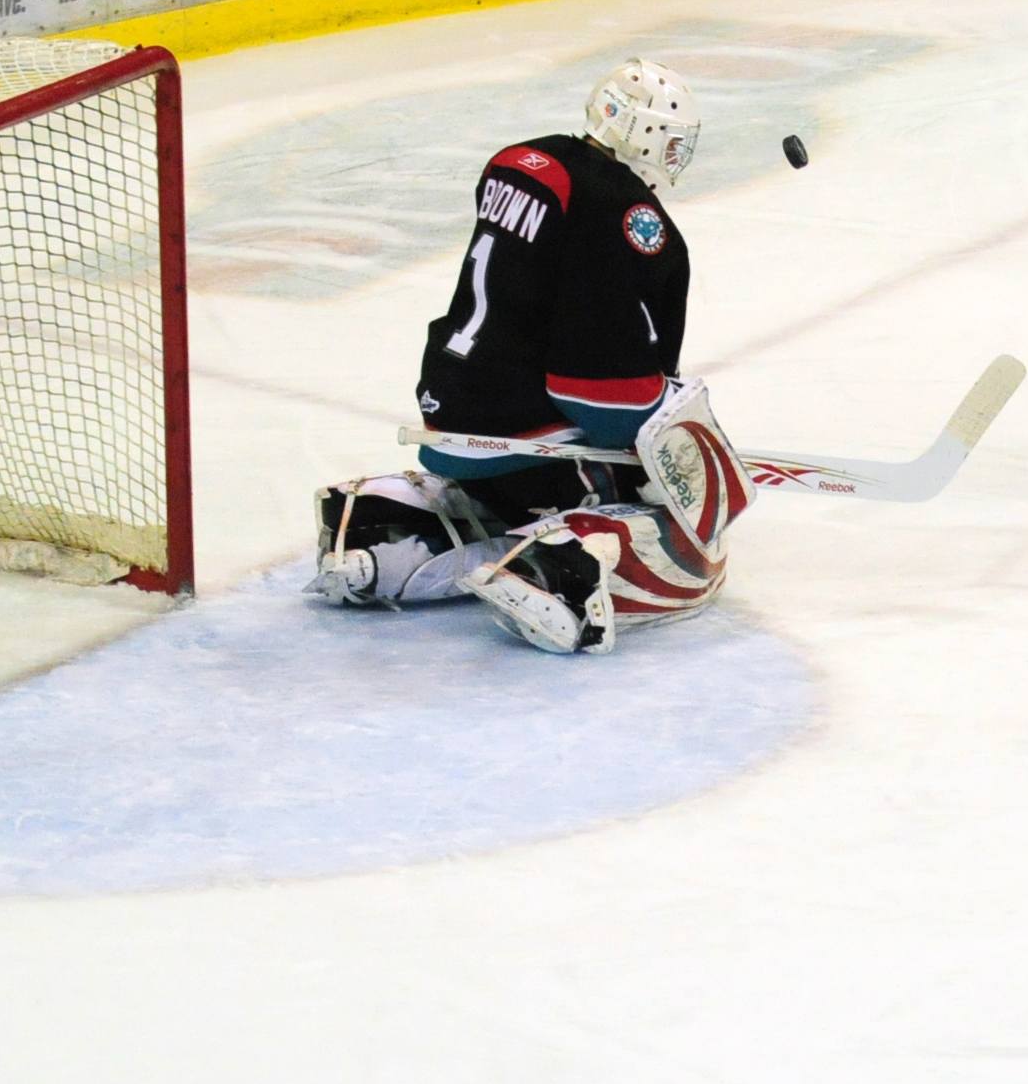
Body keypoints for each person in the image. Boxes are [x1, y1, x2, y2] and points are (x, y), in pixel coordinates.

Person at [312, 59, 753, 655]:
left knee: (521, 482)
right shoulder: (625, 211)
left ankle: (377, 534)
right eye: (672, 141)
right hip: (527, 428)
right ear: (644, 135)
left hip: (451, 405)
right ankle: (558, 571)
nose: (676, 156)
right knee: (694, 536)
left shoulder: (524, 162)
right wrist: (655, 444)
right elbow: (595, 388)